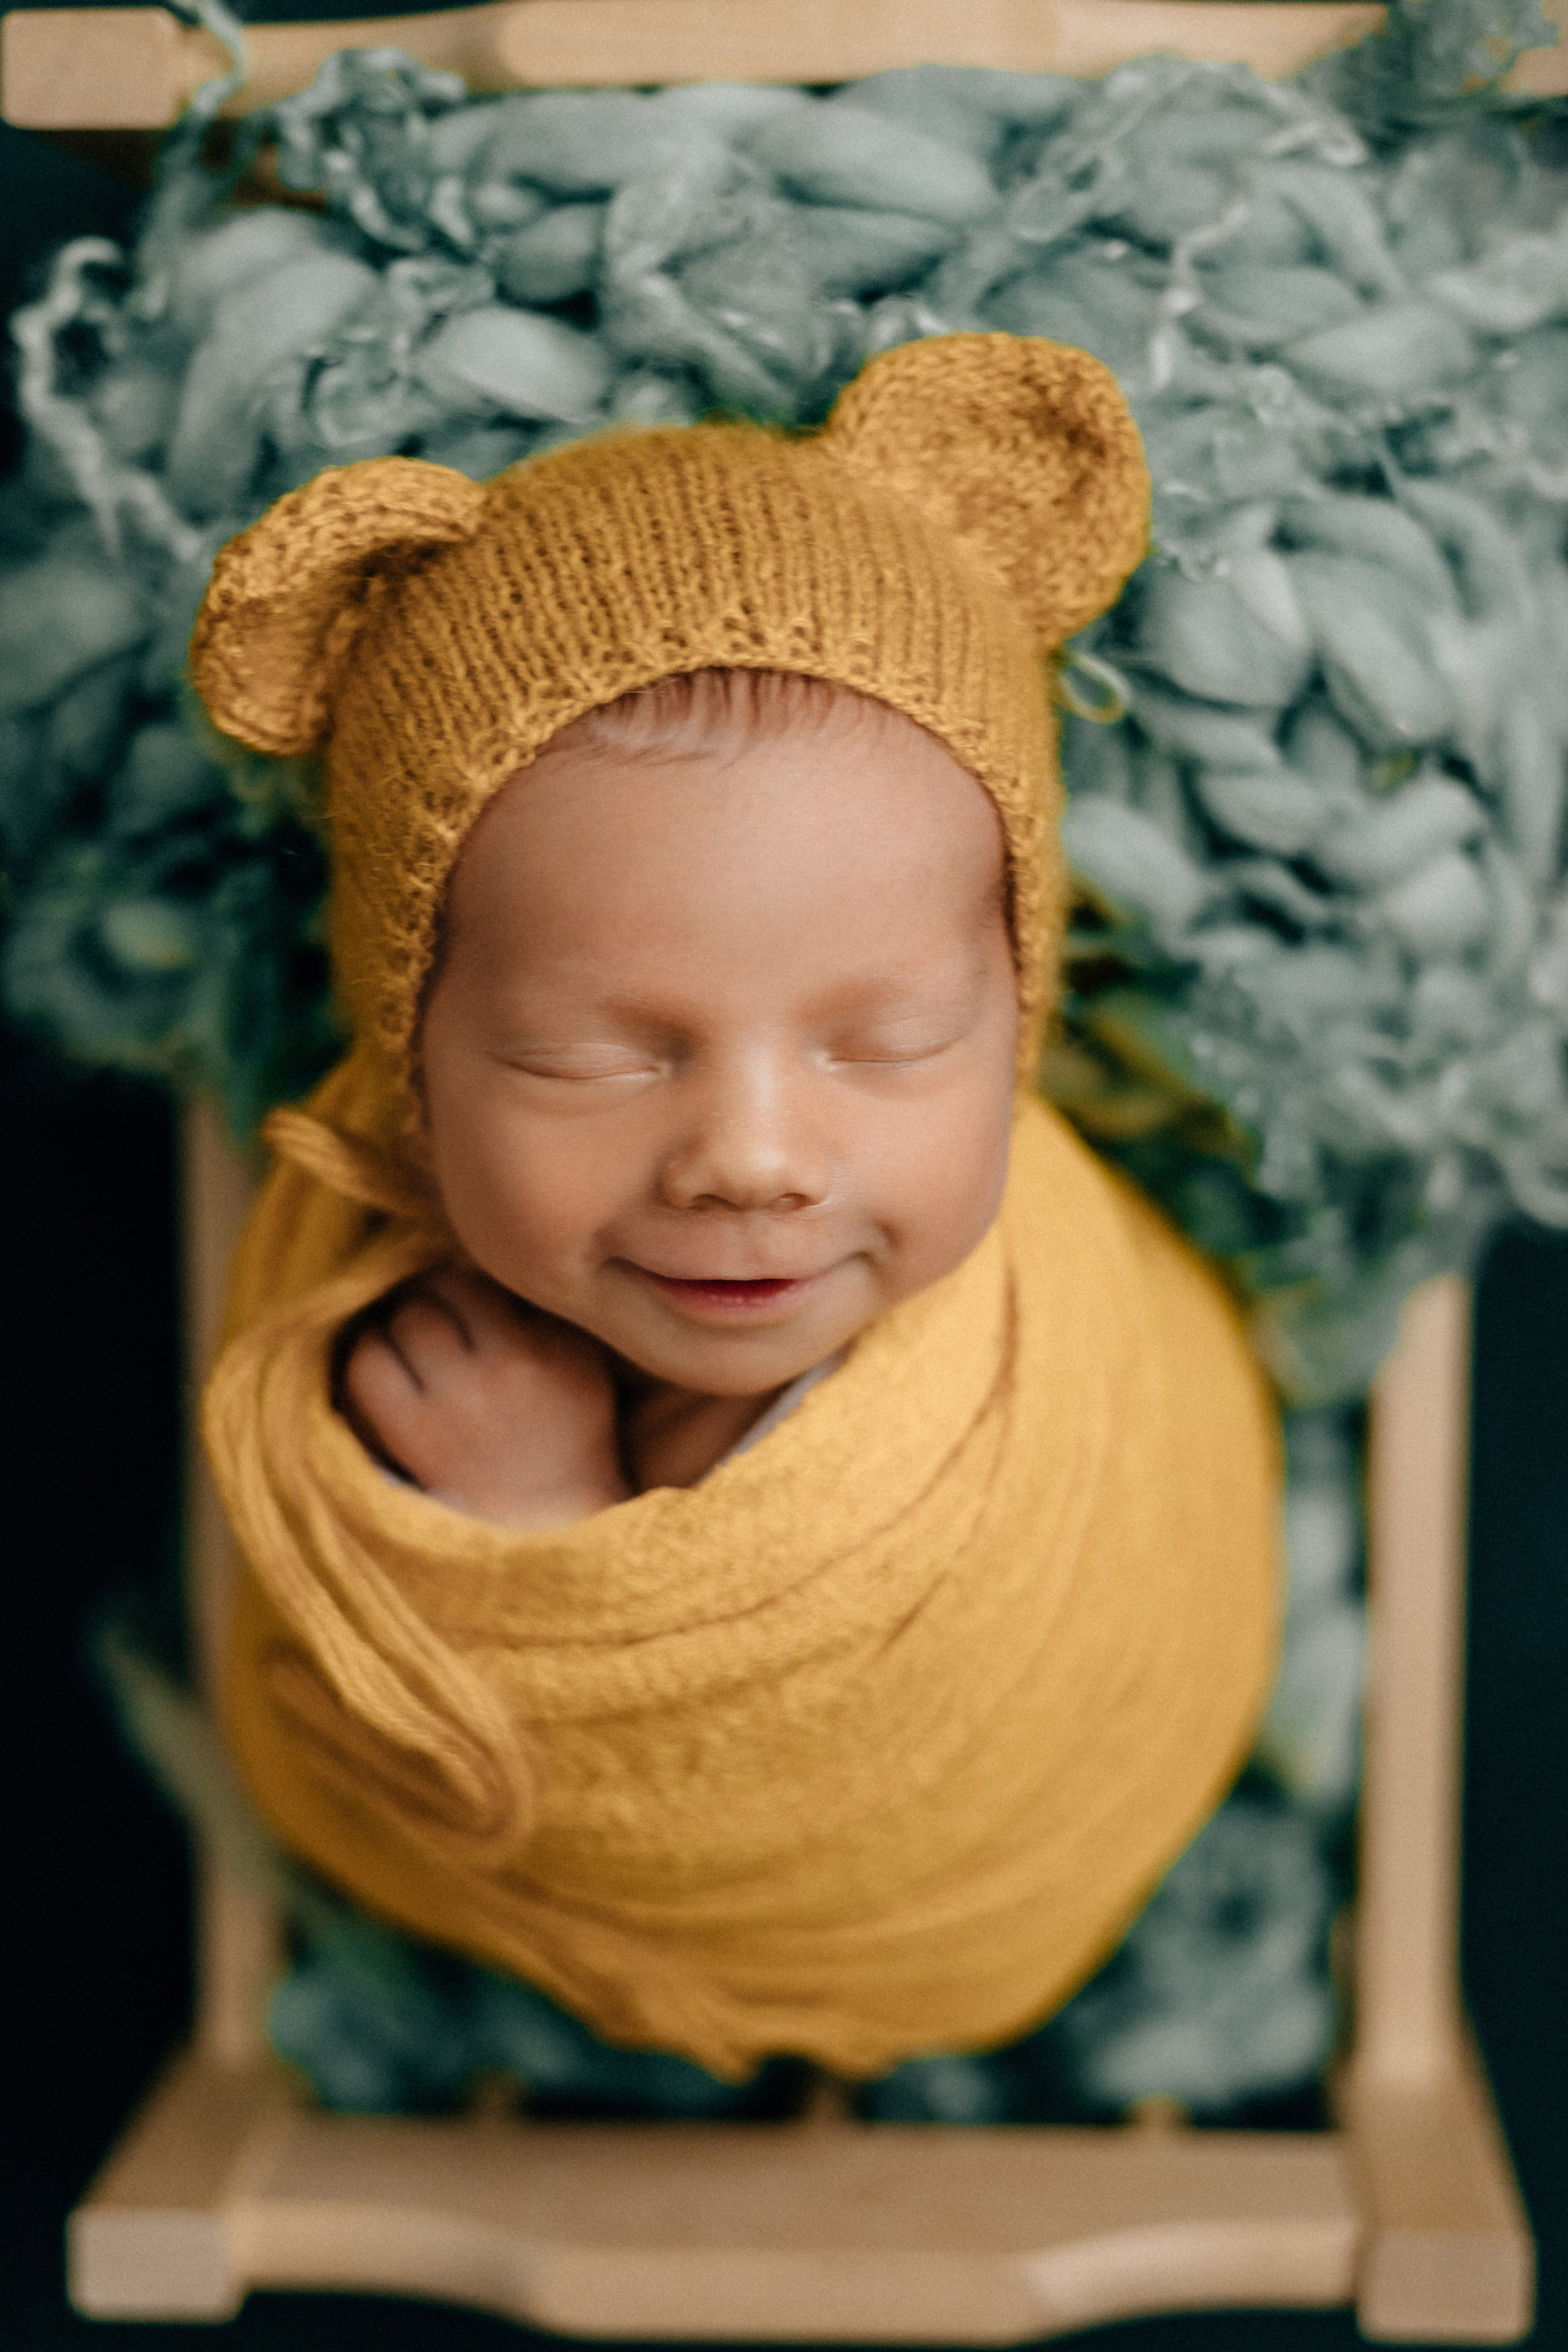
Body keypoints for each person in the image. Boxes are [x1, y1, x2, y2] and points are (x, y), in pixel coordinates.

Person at [192, 331, 1280, 2087]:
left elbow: (1160, 1498)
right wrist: (484, 1550)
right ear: (412, 1055)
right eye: (587, 1058)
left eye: (892, 1039)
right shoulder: (357, 1327)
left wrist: (553, 1535)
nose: (753, 1159)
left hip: (1049, 1796)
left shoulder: (1031, 1336)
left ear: (1017, 1015)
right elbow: (366, 1691)